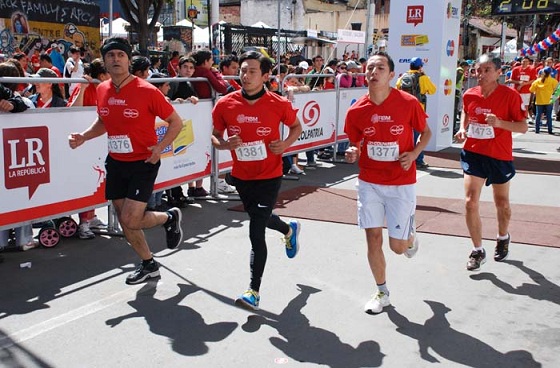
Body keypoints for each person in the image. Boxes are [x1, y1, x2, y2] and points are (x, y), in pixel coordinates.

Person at [68, 37, 185, 285]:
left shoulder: (147, 90)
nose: (116, 59)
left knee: (131, 219)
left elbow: (176, 122)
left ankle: (169, 217)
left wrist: (160, 148)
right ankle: (148, 264)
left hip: (144, 161)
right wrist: (84, 136)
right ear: (104, 61)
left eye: (121, 55)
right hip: (116, 162)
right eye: (111, 56)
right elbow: (103, 122)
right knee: (125, 220)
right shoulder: (102, 89)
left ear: (129, 60)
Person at [211, 51, 303, 310]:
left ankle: (254, 290)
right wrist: (225, 143)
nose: (246, 75)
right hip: (242, 177)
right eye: (242, 70)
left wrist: (284, 144)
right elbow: (215, 136)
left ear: (265, 76)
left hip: (269, 175)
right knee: (258, 218)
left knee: (256, 231)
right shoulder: (225, 104)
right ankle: (288, 230)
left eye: (252, 71)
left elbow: (297, 127)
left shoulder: (278, 103)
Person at [344, 51, 431, 314]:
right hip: (369, 181)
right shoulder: (356, 110)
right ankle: (382, 292)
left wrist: (414, 154)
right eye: (370, 68)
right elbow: (354, 142)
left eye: (380, 68)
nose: (373, 72)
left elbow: (425, 132)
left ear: (391, 74)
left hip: (400, 182)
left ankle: (410, 236)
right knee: (372, 237)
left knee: (398, 247)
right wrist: (353, 151)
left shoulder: (408, 103)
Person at [454, 54, 528, 272]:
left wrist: (500, 123)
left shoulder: (510, 95)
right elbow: (466, 112)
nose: (481, 74)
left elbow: (522, 127)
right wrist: (462, 128)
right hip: (474, 153)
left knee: (502, 203)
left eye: (487, 70)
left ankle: (503, 236)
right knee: (470, 202)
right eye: (478, 69)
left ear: (498, 73)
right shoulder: (470, 94)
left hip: (499, 155)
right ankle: (477, 250)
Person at [396, 57, 436, 169]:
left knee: (405, 134)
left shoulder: (403, 77)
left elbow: (397, 90)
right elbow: (433, 90)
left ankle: (404, 157)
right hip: (419, 109)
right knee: (420, 134)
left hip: (404, 110)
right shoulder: (423, 78)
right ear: (420, 66)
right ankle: (418, 159)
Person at [530, 66, 558, 134]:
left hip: (539, 100)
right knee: (549, 115)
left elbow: (531, 89)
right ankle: (550, 130)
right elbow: (557, 90)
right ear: (550, 73)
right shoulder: (553, 81)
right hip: (549, 100)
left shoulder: (537, 81)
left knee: (538, 115)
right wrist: (554, 98)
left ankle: (537, 130)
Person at [509, 56, 536, 121]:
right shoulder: (516, 69)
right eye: (523, 61)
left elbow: (533, 80)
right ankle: (515, 118)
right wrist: (518, 82)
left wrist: (524, 84)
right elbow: (510, 79)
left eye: (526, 61)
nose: (524, 63)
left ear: (529, 62)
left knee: (525, 105)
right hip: (517, 91)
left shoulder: (532, 69)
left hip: (526, 91)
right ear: (521, 62)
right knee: (516, 105)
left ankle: (524, 118)